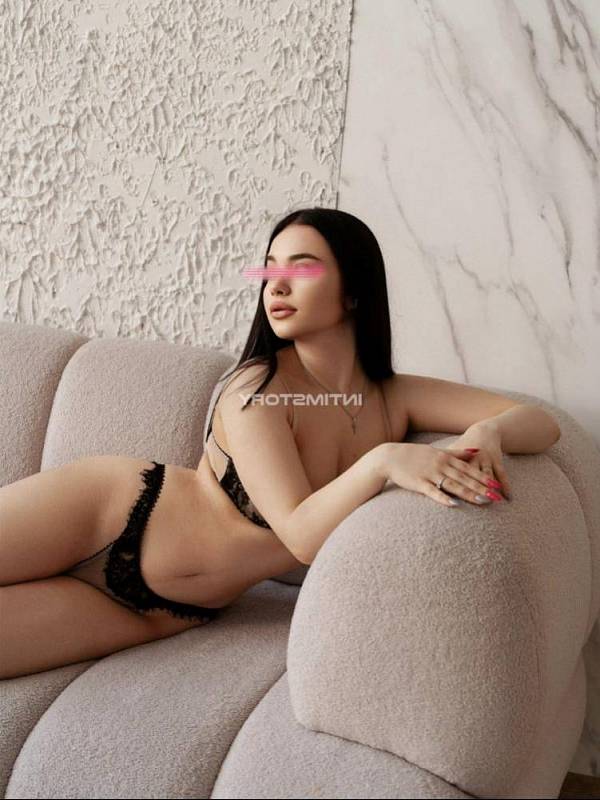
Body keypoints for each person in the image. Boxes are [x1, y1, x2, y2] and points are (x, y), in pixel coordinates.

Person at [0, 206, 531, 679]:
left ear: (353, 290)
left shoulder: (395, 397)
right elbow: (300, 534)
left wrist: (487, 432)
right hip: (111, 511)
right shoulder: (257, 389)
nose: (276, 286)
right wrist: (383, 461)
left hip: (169, 610)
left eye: (301, 268)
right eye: (270, 270)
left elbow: (538, 422)